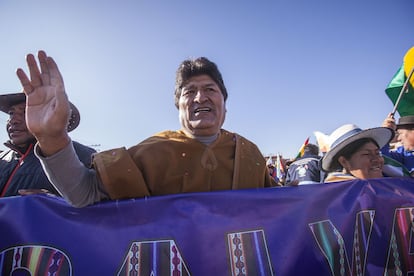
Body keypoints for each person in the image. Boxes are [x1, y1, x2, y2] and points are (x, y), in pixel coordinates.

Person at [15, 50, 277, 207]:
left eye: (210, 90)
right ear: (179, 107)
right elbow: (84, 193)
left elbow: (284, 208)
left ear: (224, 103)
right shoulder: (153, 151)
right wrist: (52, 136)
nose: (200, 98)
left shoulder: (250, 155)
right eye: (190, 92)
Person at [0, 92, 96, 197]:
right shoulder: (2, 160)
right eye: (11, 113)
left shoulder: (82, 155)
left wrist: (53, 204)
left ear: (52, 118)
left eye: (26, 112)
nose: (14, 120)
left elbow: (99, 204)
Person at [320, 124, 394, 183]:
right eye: (366, 154)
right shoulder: (338, 196)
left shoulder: (389, 187)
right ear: (344, 162)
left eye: (377, 153)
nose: (376, 160)